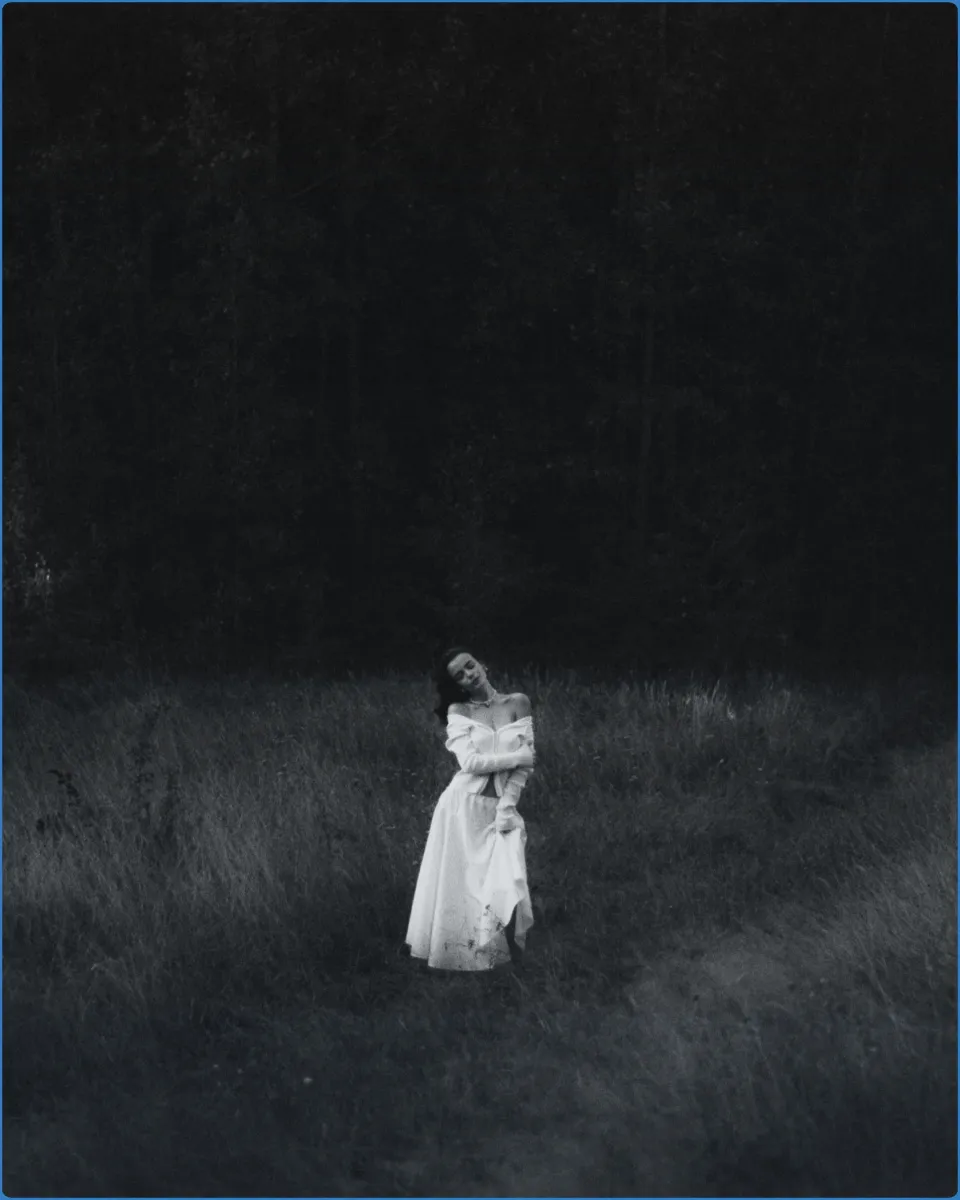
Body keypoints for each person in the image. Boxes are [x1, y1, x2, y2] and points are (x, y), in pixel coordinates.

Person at [405, 646, 536, 971]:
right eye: (460, 675)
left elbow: (526, 767)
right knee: (464, 884)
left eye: (470, 666)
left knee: (508, 876)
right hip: (462, 807)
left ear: (482, 663)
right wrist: (517, 757)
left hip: (498, 807)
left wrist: (508, 806)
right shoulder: (458, 710)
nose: (468, 674)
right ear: (458, 684)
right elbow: (471, 762)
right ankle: (463, 957)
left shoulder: (518, 702)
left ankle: (513, 966)